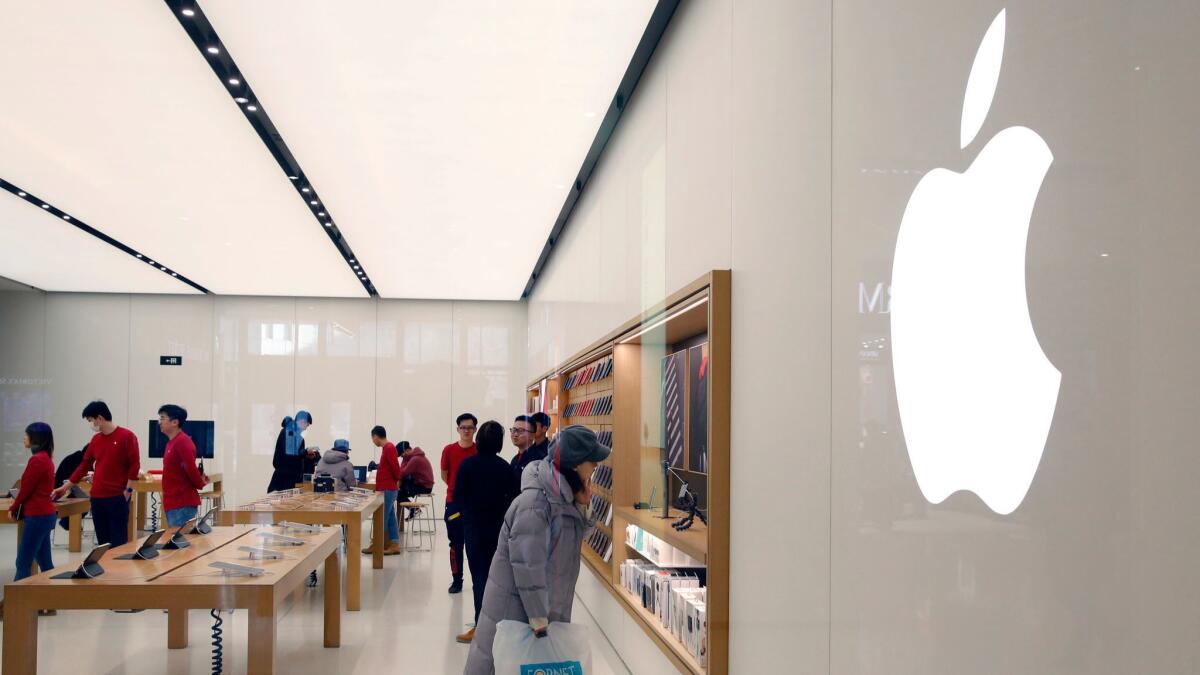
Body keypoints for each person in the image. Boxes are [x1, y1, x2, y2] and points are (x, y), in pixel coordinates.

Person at [464, 425, 610, 674]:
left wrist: (585, 507)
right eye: (592, 459)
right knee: (500, 663)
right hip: (518, 609)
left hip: (542, 606)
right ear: (576, 463)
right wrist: (538, 617)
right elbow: (527, 564)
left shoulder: (564, 496)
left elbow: (577, 536)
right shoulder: (536, 502)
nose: (596, 465)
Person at [452, 421, 520, 644]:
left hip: (475, 530)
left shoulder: (467, 465)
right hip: (499, 530)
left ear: (478, 440)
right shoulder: (506, 468)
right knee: (500, 580)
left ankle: (481, 627)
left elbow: (458, 497)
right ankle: (500, 627)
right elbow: (514, 500)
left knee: (479, 578)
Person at [52, 401, 140, 548]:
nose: (91, 424)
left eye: (90, 420)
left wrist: (128, 490)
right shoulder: (96, 440)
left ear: (100, 418)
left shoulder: (127, 436)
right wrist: (65, 487)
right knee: (103, 543)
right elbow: (83, 466)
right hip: (98, 498)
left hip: (117, 497)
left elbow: (134, 465)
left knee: (118, 543)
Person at [441, 413, 478, 594]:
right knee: (455, 544)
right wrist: (456, 490)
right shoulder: (449, 450)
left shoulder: (479, 450)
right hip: (454, 503)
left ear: (475, 430)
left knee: (475, 543)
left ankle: (477, 579)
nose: (466, 431)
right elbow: (444, 474)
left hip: (474, 505)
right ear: (457, 429)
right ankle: (457, 580)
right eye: (463, 427)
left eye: (470, 428)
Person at [158, 404, 209, 527]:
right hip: (173, 502)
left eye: (163, 418)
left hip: (181, 503)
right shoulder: (171, 443)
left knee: (180, 543)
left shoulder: (182, 442)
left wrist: (200, 482)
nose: (159, 422)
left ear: (175, 422)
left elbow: (190, 469)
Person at [364, 426, 402, 556]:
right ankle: (394, 544)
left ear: (375, 436)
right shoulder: (387, 448)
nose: (372, 441)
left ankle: (377, 544)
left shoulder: (390, 448)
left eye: (372, 438)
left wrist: (397, 481)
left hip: (388, 489)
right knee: (390, 518)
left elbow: (396, 468)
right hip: (387, 488)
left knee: (382, 518)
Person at [267, 410, 317, 492]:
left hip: (290, 479)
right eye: (306, 426)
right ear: (301, 421)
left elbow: (296, 456)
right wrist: (305, 452)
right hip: (283, 481)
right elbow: (289, 455)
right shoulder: (289, 432)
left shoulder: (296, 435)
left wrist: (307, 456)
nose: (305, 429)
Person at [395, 441, 434, 519]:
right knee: (399, 489)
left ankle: (415, 509)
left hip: (424, 487)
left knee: (397, 493)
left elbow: (402, 472)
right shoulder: (414, 456)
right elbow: (402, 471)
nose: (402, 457)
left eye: (402, 456)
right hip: (422, 484)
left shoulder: (415, 459)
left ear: (406, 450)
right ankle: (414, 509)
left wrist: (405, 460)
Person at [53, 443, 87, 531]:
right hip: (62, 485)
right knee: (85, 502)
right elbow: (75, 476)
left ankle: (68, 522)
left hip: (66, 485)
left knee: (86, 501)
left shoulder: (78, 456)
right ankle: (67, 522)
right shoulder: (79, 459)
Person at [509, 415, 546, 480]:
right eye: (514, 430)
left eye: (521, 430)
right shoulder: (514, 460)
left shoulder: (538, 459)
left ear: (532, 435)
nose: (515, 434)